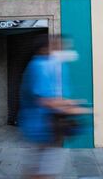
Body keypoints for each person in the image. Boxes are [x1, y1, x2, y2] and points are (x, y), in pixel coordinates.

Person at [18, 34, 89, 179]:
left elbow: (55, 96)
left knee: (41, 166)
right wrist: (73, 109)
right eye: (55, 47)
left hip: (47, 127)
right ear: (44, 49)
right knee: (44, 169)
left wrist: (70, 103)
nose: (60, 50)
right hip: (42, 126)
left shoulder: (52, 65)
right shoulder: (39, 65)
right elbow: (45, 100)